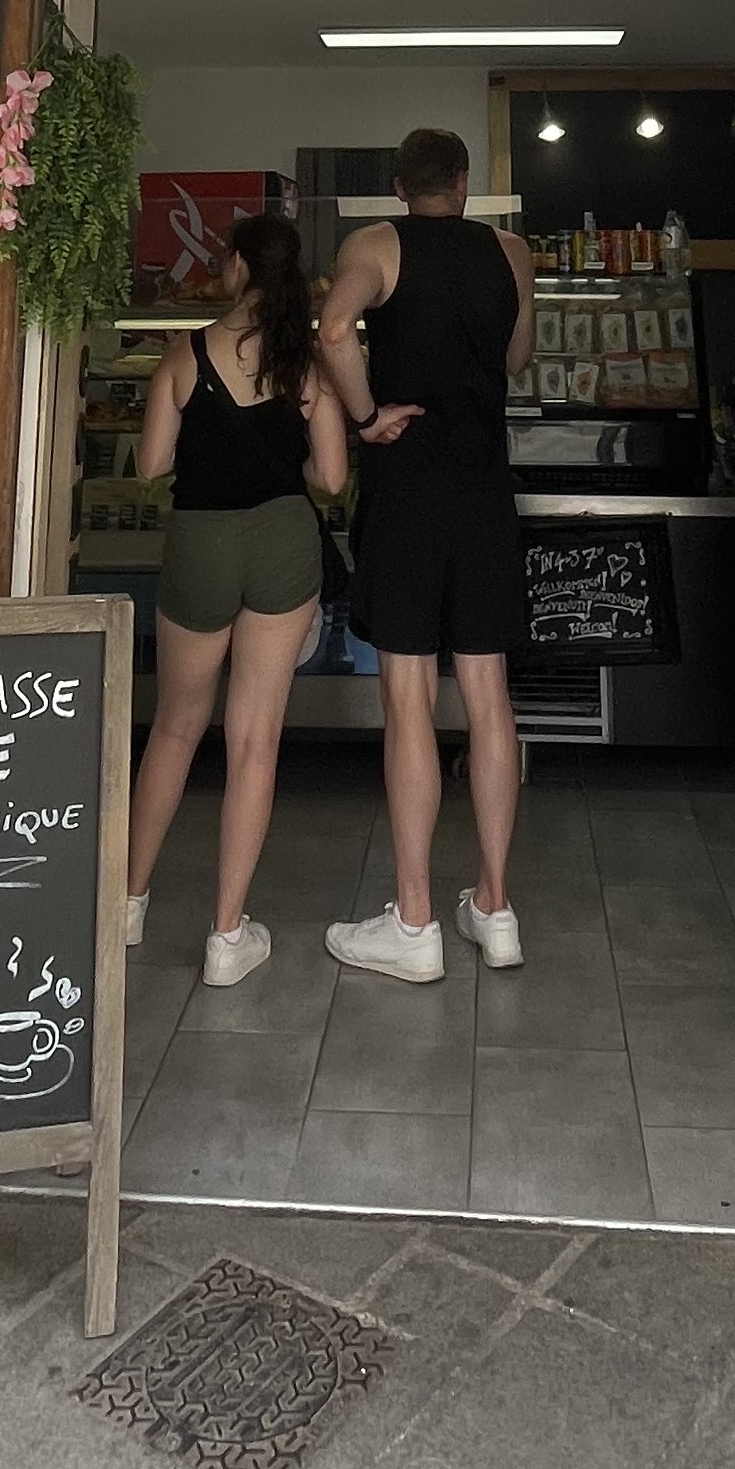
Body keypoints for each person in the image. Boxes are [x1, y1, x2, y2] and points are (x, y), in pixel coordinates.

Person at [315, 126, 535, 982]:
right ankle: (496, 907)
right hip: (483, 490)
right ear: (465, 182)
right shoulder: (509, 252)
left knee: (408, 699)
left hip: (407, 493)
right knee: (489, 698)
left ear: (401, 187)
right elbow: (518, 356)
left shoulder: (374, 245)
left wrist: (368, 417)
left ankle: (414, 922)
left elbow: (336, 326)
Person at [122, 210, 348, 987]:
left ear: (242, 266)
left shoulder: (184, 355)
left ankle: (127, 903)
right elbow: (332, 479)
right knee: (255, 741)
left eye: (225, 258)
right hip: (284, 544)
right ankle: (226, 937)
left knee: (175, 728)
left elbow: (151, 464)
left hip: (201, 543)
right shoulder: (304, 365)